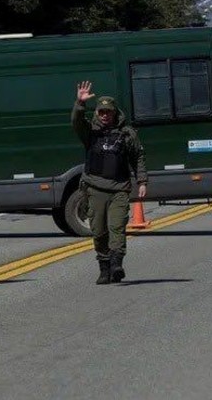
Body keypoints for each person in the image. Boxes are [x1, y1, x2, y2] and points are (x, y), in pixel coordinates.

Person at [73, 81, 147, 285]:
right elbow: (76, 122)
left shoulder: (127, 134)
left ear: (115, 113)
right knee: (98, 230)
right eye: (101, 112)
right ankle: (104, 268)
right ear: (97, 113)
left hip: (119, 189)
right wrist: (80, 103)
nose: (105, 115)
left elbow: (138, 157)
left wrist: (142, 181)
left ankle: (116, 263)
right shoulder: (90, 133)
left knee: (117, 227)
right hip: (94, 188)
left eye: (109, 112)